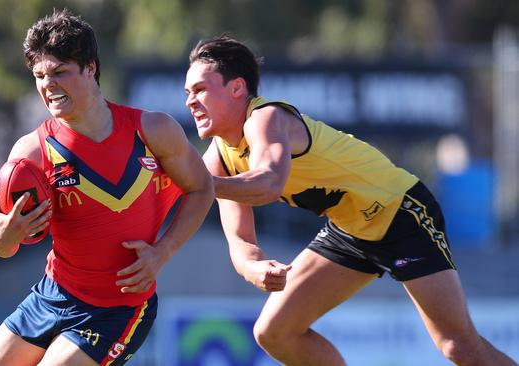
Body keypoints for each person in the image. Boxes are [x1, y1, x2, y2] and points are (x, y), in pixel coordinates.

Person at [184, 35, 517, 366]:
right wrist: (254, 267)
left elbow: (268, 183)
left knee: (456, 346)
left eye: (200, 89)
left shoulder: (266, 118)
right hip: (350, 228)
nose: (190, 101)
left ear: (237, 88)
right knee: (274, 332)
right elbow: (240, 240)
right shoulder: (218, 159)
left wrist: (201, 184)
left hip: (398, 210)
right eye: (187, 93)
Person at [0, 9, 214, 366]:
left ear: (90, 68)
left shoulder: (152, 131)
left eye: (59, 72)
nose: (47, 85)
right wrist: (7, 233)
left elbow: (201, 189)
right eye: (40, 75)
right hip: (51, 296)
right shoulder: (31, 152)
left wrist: (161, 252)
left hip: (119, 310)